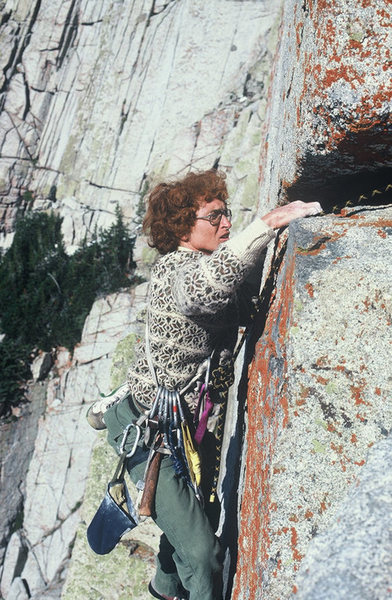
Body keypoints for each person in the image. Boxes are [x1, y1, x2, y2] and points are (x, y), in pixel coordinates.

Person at [87, 170, 322, 600]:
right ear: (181, 227)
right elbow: (202, 293)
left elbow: (236, 293)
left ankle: (163, 587)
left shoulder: (201, 263)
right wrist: (264, 226)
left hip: (186, 435)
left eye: (227, 214)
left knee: (198, 516)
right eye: (214, 217)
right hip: (150, 433)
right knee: (202, 551)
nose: (226, 224)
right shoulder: (175, 271)